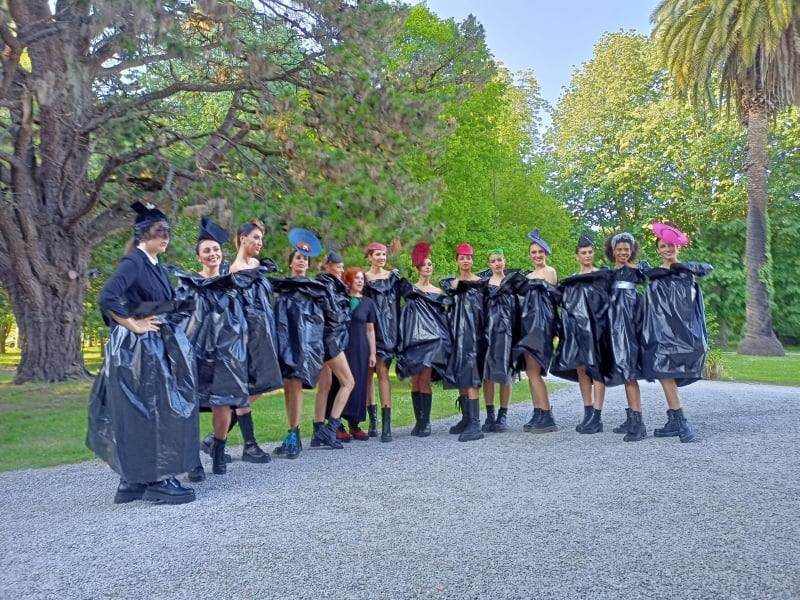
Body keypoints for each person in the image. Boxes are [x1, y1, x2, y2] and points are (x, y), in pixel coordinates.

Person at [88, 202, 198, 505]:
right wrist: (133, 325)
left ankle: (132, 480)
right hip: (140, 352)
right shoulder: (134, 262)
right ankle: (160, 480)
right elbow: (108, 296)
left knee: (145, 412)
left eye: (167, 233)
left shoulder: (153, 263)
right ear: (142, 234)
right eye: (158, 233)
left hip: (150, 349)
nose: (165, 239)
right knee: (157, 410)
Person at [170, 217, 250, 476]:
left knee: (223, 404)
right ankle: (193, 459)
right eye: (207, 250)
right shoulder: (189, 284)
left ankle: (218, 447)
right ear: (199, 257)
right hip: (194, 354)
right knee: (190, 404)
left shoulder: (232, 284)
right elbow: (178, 318)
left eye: (215, 249)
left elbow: (243, 319)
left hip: (226, 355)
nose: (212, 253)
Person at [641, 223, 713, 443]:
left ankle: (677, 419)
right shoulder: (655, 275)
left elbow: (706, 269)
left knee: (669, 371)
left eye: (670, 245)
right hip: (662, 333)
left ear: (677, 246)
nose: (667, 249)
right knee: (664, 370)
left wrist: (683, 267)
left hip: (684, 332)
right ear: (658, 250)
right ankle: (677, 419)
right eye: (662, 246)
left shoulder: (687, 270)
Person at [271, 229, 334, 458]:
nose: (302, 261)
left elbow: (321, 319)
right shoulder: (282, 287)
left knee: (295, 386)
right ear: (291, 263)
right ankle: (291, 433)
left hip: (304, 346)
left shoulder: (314, 289)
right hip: (285, 343)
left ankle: (294, 434)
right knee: (288, 388)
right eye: (298, 257)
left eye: (305, 259)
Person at [227, 219, 283, 464]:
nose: (260, 242)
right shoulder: (234, 270)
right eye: (255, 238)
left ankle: (214, 437)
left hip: (264, 333)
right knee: (250, 386)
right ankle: (249, 445)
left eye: (261, 238)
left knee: (264, 384)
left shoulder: (256, 264)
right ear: (242, 238)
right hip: (248, 337)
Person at [551, 234, 612, 434]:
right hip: (577, 332)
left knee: (596, 370)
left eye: (590, 252)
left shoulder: (602, 276)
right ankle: (587, 410)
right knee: (581, 370)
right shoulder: (572, 281)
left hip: (597, 331)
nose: (587, 255)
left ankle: (597, 415)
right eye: (583, 253)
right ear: (577, 256)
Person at [396, 242, 451, 438]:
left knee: (425, 379)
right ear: (418, 268)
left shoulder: (438, 293)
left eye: (430, 264)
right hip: (414, 341)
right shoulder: (411, 290)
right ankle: (418, 421)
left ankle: (426, 422)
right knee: (415, 380)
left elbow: (442, 320)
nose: (429, 267)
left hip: (432, 343)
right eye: (425, 264)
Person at [512, 230, 560, 434]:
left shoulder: (549, 271)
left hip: (540, 327)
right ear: (529, 255)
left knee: (535, 371)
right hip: (526, 326)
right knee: (531, 372)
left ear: (546, 253)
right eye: (534, 252)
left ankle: (547, 413)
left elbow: (552, 298)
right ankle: (538, 411)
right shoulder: (527, 276)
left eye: (540, 251)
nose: (537, 255)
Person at [441, 243, 487, 442]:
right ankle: (466, 418)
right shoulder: (452, 284)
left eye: (469, 257)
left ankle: (475, 424)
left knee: (472, 374)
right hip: (455, 334)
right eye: (462, 258)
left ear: (472, 260)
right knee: (460, 374)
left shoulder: (480, 283)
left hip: (474, 335)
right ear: (457, 261)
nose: (466, 261)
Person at [604, 232, 647, 442]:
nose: (623, 253)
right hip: (614, 327)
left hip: (629, 327)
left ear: (632, 251)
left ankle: (638, 423)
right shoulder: (610, 275)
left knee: (629, 372)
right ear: (613, 252)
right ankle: (631, 417)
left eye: (626, 249)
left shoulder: (637, 272)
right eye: (619, 249)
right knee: (623, 370)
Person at [311, 250, 356, 448]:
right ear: (328, 266)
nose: (341, 270)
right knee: (348, 382)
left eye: (342, 267)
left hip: (323, 339)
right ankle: (331, 429)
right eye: (338, 267)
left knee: (325, 385)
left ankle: (318, 430)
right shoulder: (328, 284)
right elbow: (334, 314)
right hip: (330, 340)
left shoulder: (320, 283)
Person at [327, 267, 378, 440]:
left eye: (362, 278)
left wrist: (372, 353)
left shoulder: (368, 303)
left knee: (359, 384)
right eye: (356, 278)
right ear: (348, 280)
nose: (360, 281)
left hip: (361, 347)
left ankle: (354, 424)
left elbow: (370, 330)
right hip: (342, 346)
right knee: (339, 383)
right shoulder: (341, 300)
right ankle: (337, 423)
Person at [481, 249, 523, 433]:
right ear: (489, 264)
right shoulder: (483, 284)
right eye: (493, 261)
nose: (497, 263)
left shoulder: (513, 282)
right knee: (487, 375)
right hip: (488, 333)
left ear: (504, 261)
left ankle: (502, 414)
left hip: (507, 332)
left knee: (506, 374)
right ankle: (489, 414)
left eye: (499, 260)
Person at [364, 242, 401, 441]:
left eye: (384, 254)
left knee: (384, 373)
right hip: (368, 331)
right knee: (368, 375)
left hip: (388, 332)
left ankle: (387, 424)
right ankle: (373, 420)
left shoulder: (392, 278)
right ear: (369, 257)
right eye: (377, 254)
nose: (381, 257)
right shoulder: (364, 279)